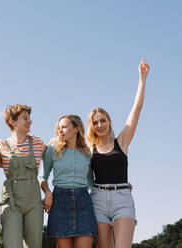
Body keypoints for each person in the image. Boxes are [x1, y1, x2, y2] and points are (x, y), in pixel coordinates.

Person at [87, 58, 150, 248]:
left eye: (102, 120)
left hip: (122, 198)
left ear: (109, 120)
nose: (99, 125)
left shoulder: (122, 141)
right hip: (97, 199)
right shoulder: (89, 149)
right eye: (95, 122)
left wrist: (142, 79)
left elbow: (136, 110)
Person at [0, 104, 46, 248]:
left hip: (34, 201)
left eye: (29, 118)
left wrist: (83, 146)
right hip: (11, 200)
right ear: (12, 121)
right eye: (25, 118)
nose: (30, 121)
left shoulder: (38, 143)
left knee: (34, 245)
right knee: (12, 244)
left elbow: (58, 151)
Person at [40, 115, 98, 248]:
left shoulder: (87, 153)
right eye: (59, 128)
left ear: (76, 128)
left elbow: (91, 182)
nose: (60, 131)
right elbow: (42, 176)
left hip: (83, 202)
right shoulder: (52, 150)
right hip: (59, 201)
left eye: (64, 127)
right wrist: (48, 193)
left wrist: (118, 184)